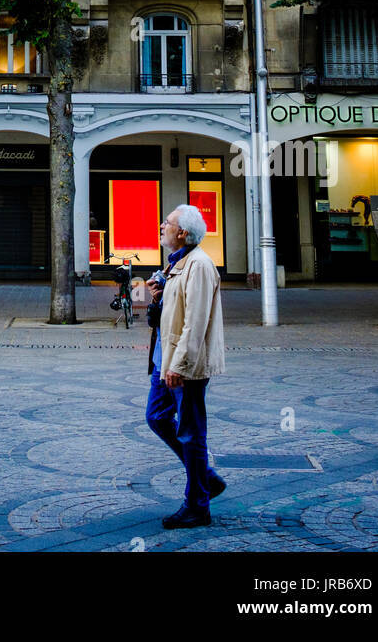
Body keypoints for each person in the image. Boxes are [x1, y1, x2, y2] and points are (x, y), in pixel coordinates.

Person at [144, 204, 226, 528]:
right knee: (156, 417)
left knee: (191, 433)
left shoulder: (200, 266)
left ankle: (197, 506)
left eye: (167, 223)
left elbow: (195, 322)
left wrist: (180, 366)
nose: (162, 225)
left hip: (183, 367)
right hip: (164, 362)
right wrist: (157, 297)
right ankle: (206, 478)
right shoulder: (175, 265)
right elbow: (164, 318)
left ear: (182, 233)